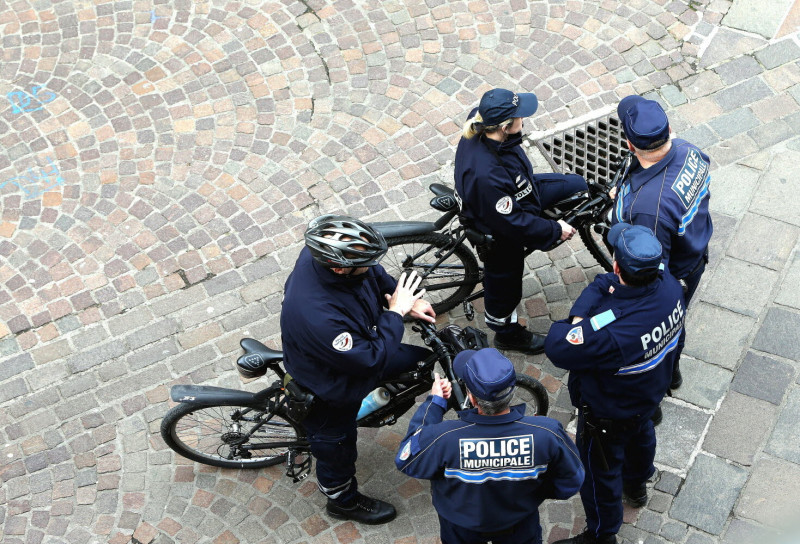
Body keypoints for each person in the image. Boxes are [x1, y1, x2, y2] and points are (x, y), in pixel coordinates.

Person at [280, 215, 436, 524]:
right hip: (330, 388)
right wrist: (396, 312)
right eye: (363, 261)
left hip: (360, 346)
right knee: (336, 450)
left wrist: (405, 298)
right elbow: (372, 360)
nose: (371, 265)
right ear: (339, 267)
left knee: (420, 360)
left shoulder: (330, 259)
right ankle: (342, 501)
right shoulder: (319, 316)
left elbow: (372, 274)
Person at [544, 223, 685, 544]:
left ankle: (602, 534)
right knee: (643, 436)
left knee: (598, 478)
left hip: (608, 414)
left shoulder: (608, 331)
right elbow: (606, 283)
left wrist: (580, 318)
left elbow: (558, 344)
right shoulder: (671, 289)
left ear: (617, 265)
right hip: (647, 396)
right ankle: (636, 485)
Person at [395, 348, 584, 544]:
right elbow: (571, 481)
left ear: (473, 398)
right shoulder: (548, 433)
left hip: (460, 532)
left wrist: (434, 404)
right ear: (513, 390)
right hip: (520, 528)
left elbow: (406, 458)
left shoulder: (442, 437)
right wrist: (534, 491)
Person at [454, 88, 588, 354]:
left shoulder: (480, 119)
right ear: (505, 127)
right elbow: (513, 223)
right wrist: (553, 229)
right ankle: (507, 334)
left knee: (576, 185)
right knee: (505, 287)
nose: (524, 119)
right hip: (498, 230)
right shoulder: (487, 176)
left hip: (519, 190)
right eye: (519, 117)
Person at [611, 95, 712, 388]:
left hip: (676, 271)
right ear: (669, 132)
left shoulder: (648, 209)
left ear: (630, 145)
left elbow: (652, 269)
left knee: (664, 325)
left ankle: (664, 378)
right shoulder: (688, 149)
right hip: (695, 250)